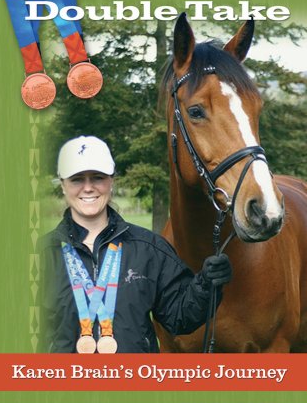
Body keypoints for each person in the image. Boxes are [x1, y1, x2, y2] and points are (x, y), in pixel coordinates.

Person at [39, 135, 232, 353]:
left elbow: (180, 318)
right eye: (76, 179)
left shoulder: (149, 248)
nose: (88, 187)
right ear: (63, 185)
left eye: (97, 177)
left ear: (112, 181)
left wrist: (206, 284)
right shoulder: (40, 256)